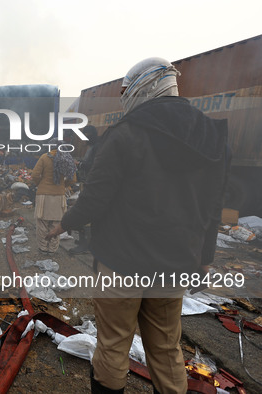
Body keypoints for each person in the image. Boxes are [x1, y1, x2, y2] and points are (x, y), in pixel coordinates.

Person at [47, 58, 230, 393]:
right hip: (175, 265)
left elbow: (96, 197)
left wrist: (65, 223)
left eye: (125, 90)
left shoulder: (126, 134)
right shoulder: (211, 136)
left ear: (143, 87)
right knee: (165, 347)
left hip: (122, 262)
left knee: (114, 344)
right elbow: (212, 208)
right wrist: (204, 257)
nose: (123, 97)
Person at [31, 137, 76, 254]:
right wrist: (62, 185)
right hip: (59, 196)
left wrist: (40, 184)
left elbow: (35, 175)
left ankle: (43, 248)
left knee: (42, 223)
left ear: (50, 146)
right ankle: (52, 249)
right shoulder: (67, 159)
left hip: (43, 196)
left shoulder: (44, 157)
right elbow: (73, 179)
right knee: (56, 223)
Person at [69, 125, 99, 255]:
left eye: (86, 135)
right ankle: (86, 241)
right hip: (88, 184)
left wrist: (79, 164)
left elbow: (93, 165)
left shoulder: (96, 148)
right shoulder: (93, 147)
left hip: (91, 185)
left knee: (85, 212)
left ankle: (85, 244)